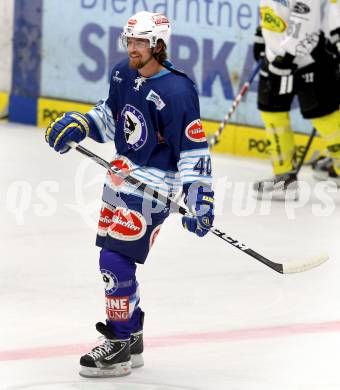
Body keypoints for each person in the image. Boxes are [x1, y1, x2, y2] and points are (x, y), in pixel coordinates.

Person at [45, 11, 214, 378]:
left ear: (157, 45)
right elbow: (112, 117)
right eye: (130, 40)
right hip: (121, 179)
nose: (132, 47)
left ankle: (120, 343)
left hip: (154, 186)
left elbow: (193, 149)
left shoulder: (178, 91)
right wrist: (83, 123)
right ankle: (132, 332)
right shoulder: (123, 72)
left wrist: (200, 195)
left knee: (114, 260)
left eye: (139, 42)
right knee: (113, 258)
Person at [253, 0, 340, 200]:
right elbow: (273, 12)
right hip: (276, 56)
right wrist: (261, 35)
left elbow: (305, 21)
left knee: (323, 115)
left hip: (308, 57)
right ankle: (285, 177)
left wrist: (288, 56)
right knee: (271, 111)